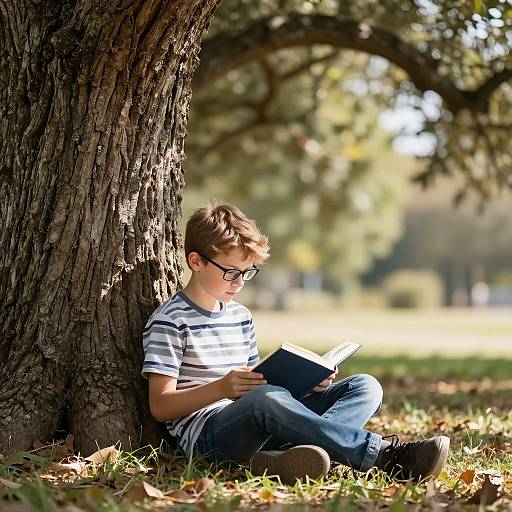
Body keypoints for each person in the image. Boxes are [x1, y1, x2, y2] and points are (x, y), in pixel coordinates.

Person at [142, 202, 450, 484]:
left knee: (365, 387)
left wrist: (308, 381)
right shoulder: (170, 320)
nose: (238, 282)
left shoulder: (240, 316)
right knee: (265, 399)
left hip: (257, 420)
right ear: (196, 261)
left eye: (246, 273)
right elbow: (160, 405)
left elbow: (255, 378)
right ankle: (385, 456)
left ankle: (290, 455)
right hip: (210, 437)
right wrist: (222, 388)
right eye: (231, 272)